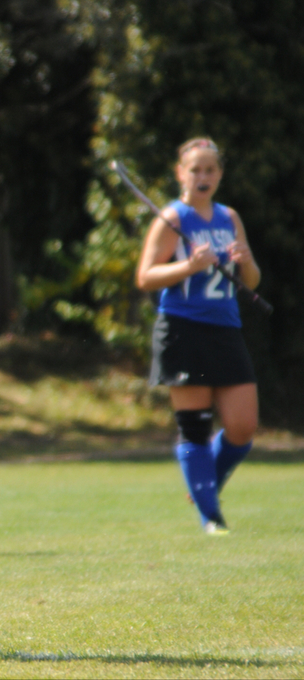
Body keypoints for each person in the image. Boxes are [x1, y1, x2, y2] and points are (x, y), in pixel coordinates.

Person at [135, 137, 260, 535]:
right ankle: (211, 517)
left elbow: (251, 281)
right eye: (195, 170)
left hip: (226, 329)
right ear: (181, 174)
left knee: (243, 426)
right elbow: (146, 276)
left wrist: (246, 262)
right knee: (196, 428)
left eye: (210, 170)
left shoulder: (229, 217)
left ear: (220, 174)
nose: (203, 177)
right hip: (183, 330)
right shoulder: (173, 218)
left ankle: (205, 484)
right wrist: (189, 266)